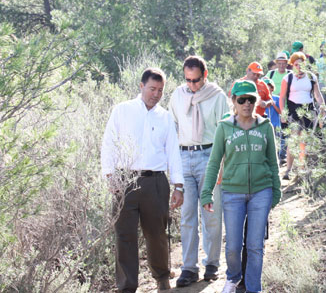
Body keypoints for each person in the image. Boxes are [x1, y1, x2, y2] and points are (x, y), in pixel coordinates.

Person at [101, 67, 184, 292]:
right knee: (124, 236)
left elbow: (173, 153)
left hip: (155, 182)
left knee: (157, 234)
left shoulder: (165, 117)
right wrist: (109, 176)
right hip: (124, 180)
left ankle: (162, 278)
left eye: (160, 90)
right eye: (152, 89)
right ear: (141, 86)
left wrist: (178, 185)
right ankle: (127, 286)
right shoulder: (122, 111)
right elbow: (109, 143)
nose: (156, 94)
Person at [200, 80, 281, 293]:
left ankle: (254, 288)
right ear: (233, 101)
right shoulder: (224, 127)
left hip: (261, 192)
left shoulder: (265, 126)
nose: (246, 103)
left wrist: (276, 191)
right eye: (241, 99)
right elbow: (214, 161)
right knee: (233, 246)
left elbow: (273, 162)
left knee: (255, 246)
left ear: (256, 101)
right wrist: (207, 192)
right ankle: (233, 278)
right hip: (232, 192)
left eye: (251, 99)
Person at [169, 56, 230, 287]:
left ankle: (212, 263)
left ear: (205, 75)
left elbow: (224, 131)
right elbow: (172, 127)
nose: (192, 85)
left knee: (211, 213)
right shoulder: (177, 95)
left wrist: (222, 164)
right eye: (188, 80)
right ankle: (189, 268)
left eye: (196, 80)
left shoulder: (217, 96)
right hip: (184, 156)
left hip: (209, 156)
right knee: (187, 215)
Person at [279, 52, 326, 180]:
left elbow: (317, 94)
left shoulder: (311, 77)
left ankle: (301, 168)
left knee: (304, 141)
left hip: (308, 110)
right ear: (292, 65)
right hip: (294, 110)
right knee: (293, 139)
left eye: (301, 64)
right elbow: (282, 97)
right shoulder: (287, 78)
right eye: (296, 64)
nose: (299, 67)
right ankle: (288, 169)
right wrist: (283, 112)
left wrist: (322, 106)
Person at [262, 77, 284, 164]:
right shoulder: (261, 100)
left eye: (268, 86)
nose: (267, 89)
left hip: (275, 125)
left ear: (272, 87)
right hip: (264, 125)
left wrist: (272, 103)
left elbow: (280, 112)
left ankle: (276, 162)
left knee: (276, 144)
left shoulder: (277, 98)